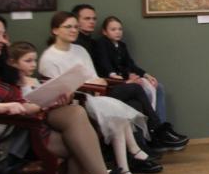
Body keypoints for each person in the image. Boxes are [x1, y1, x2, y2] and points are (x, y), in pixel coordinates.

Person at [0, 15, 137, 174]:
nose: (2, 40)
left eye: (3, 34)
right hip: (9, 140)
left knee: (74, 115)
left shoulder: (4, 67)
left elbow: (21, 101)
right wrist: (8, 107)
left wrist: (47, 98)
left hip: (25, 126)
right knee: (77, 142)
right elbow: (12, 107)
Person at [8, 41, 154, 174]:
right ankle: (119, 167)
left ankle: (123, 169)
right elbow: (24, 108)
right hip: (39, 126)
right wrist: (45, 104)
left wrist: (60, 98)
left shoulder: (35, 80)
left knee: (117, 115)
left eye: (34, 60)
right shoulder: (14, 86)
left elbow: (51, 100)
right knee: (109, 113)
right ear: (13, 62)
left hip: (56, 113)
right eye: (28, 61)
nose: (33, 65)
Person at [39, 11, 186, 156]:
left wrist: (100, 82)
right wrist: (101, 83)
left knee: (135, 103)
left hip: (96, 91)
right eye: (68, 27)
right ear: (55, 30)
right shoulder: (49, 57)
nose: (73, 30)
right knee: (134, 88)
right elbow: (57, 90)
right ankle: (157, 130)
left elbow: (94, 76)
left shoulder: (80, 50)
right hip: (79, 100)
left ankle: (141, 150)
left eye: (75, 27)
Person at [93, 16, 181, 134]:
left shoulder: (122, 46)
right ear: (105, 32)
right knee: (140, 89)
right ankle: (154, 126)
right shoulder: (101, 43)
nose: (118, 32)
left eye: (120, 29)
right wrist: (119, 78)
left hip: (125, 79)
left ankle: (162, 125)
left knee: (158, 87)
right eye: (113, 29)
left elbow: (131, 65)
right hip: (112, 83)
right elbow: (105, 65)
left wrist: (146, 75)